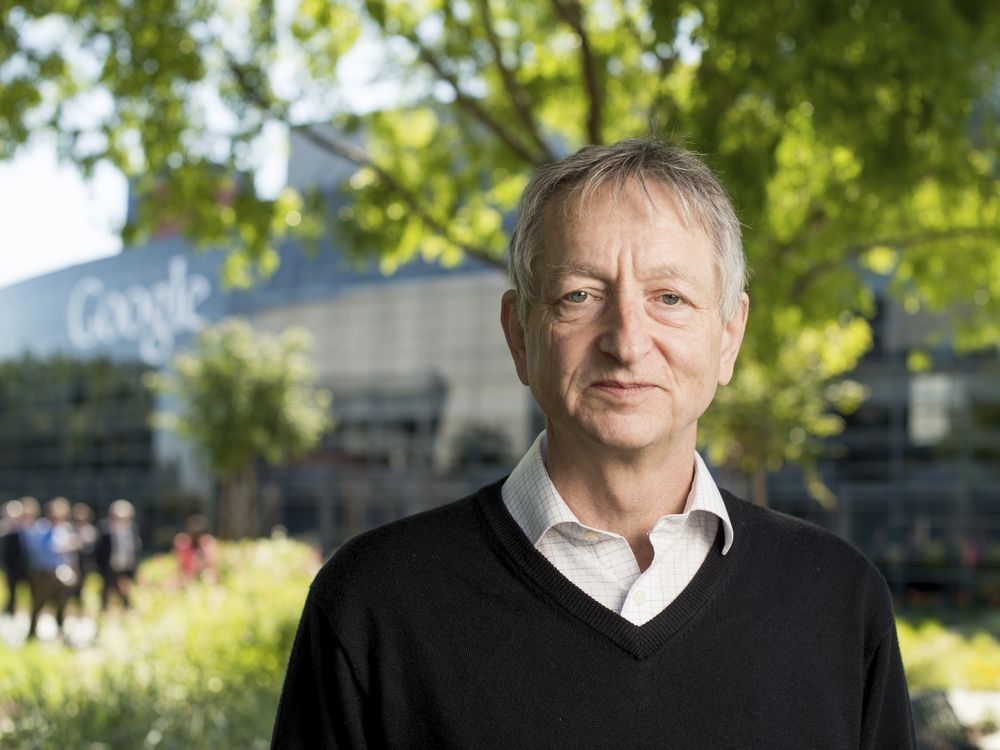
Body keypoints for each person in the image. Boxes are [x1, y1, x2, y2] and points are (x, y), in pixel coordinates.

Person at [272, 138, 915, 748]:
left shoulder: (838, 602)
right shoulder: (373, 606)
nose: (627, 341)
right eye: (580, 295)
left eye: (670, 297)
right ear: (519, 334)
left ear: (728, 336)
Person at [25, 497, 78, 639]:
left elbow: (70, 553)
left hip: (61, 573)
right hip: (44, 573)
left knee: (61, 603)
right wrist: (62, 547)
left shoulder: (65, 529)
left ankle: (60, 631)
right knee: (38, 603)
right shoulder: (41, 528)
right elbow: (40, 549)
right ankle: (32, 631)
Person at [96, 499, 142, 611]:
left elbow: (135, 550)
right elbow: (99, 551)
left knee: (125, 591)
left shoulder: (132, 529)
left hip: (126, 566)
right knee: (107, 591)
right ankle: (105, 611)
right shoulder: (104, 530)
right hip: (109, 567)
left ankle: (126, 610)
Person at [1, 497, 39, 617]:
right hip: (12, 569)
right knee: (11, 593)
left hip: (29, 568)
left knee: (33, 594)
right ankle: (10, 615)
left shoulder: (32, 531)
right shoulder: (7, 533)